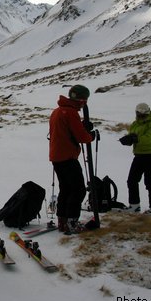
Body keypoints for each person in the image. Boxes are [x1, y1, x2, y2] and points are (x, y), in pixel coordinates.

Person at [48, 85, 98, 234]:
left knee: (66, 189)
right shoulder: (70, 113)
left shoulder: (57, 111)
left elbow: (66, 132)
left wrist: (81, 127)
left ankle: (63, 220)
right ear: (82, 100)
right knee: (77, 190)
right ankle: (72, 223)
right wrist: (91, 135)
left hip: (57, 156)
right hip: (67, 156)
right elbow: (82, 137)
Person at [119, 103, 151, 215]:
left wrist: (135, 139)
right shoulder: (135, 124)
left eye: (143, 114)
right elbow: (133, 137)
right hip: (139, 156)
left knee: (150, 183)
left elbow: (149, 139)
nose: (141, 116)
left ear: (148, 112)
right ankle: (134, 206)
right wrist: (128, 140)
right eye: (139, 114)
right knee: (132, 180)